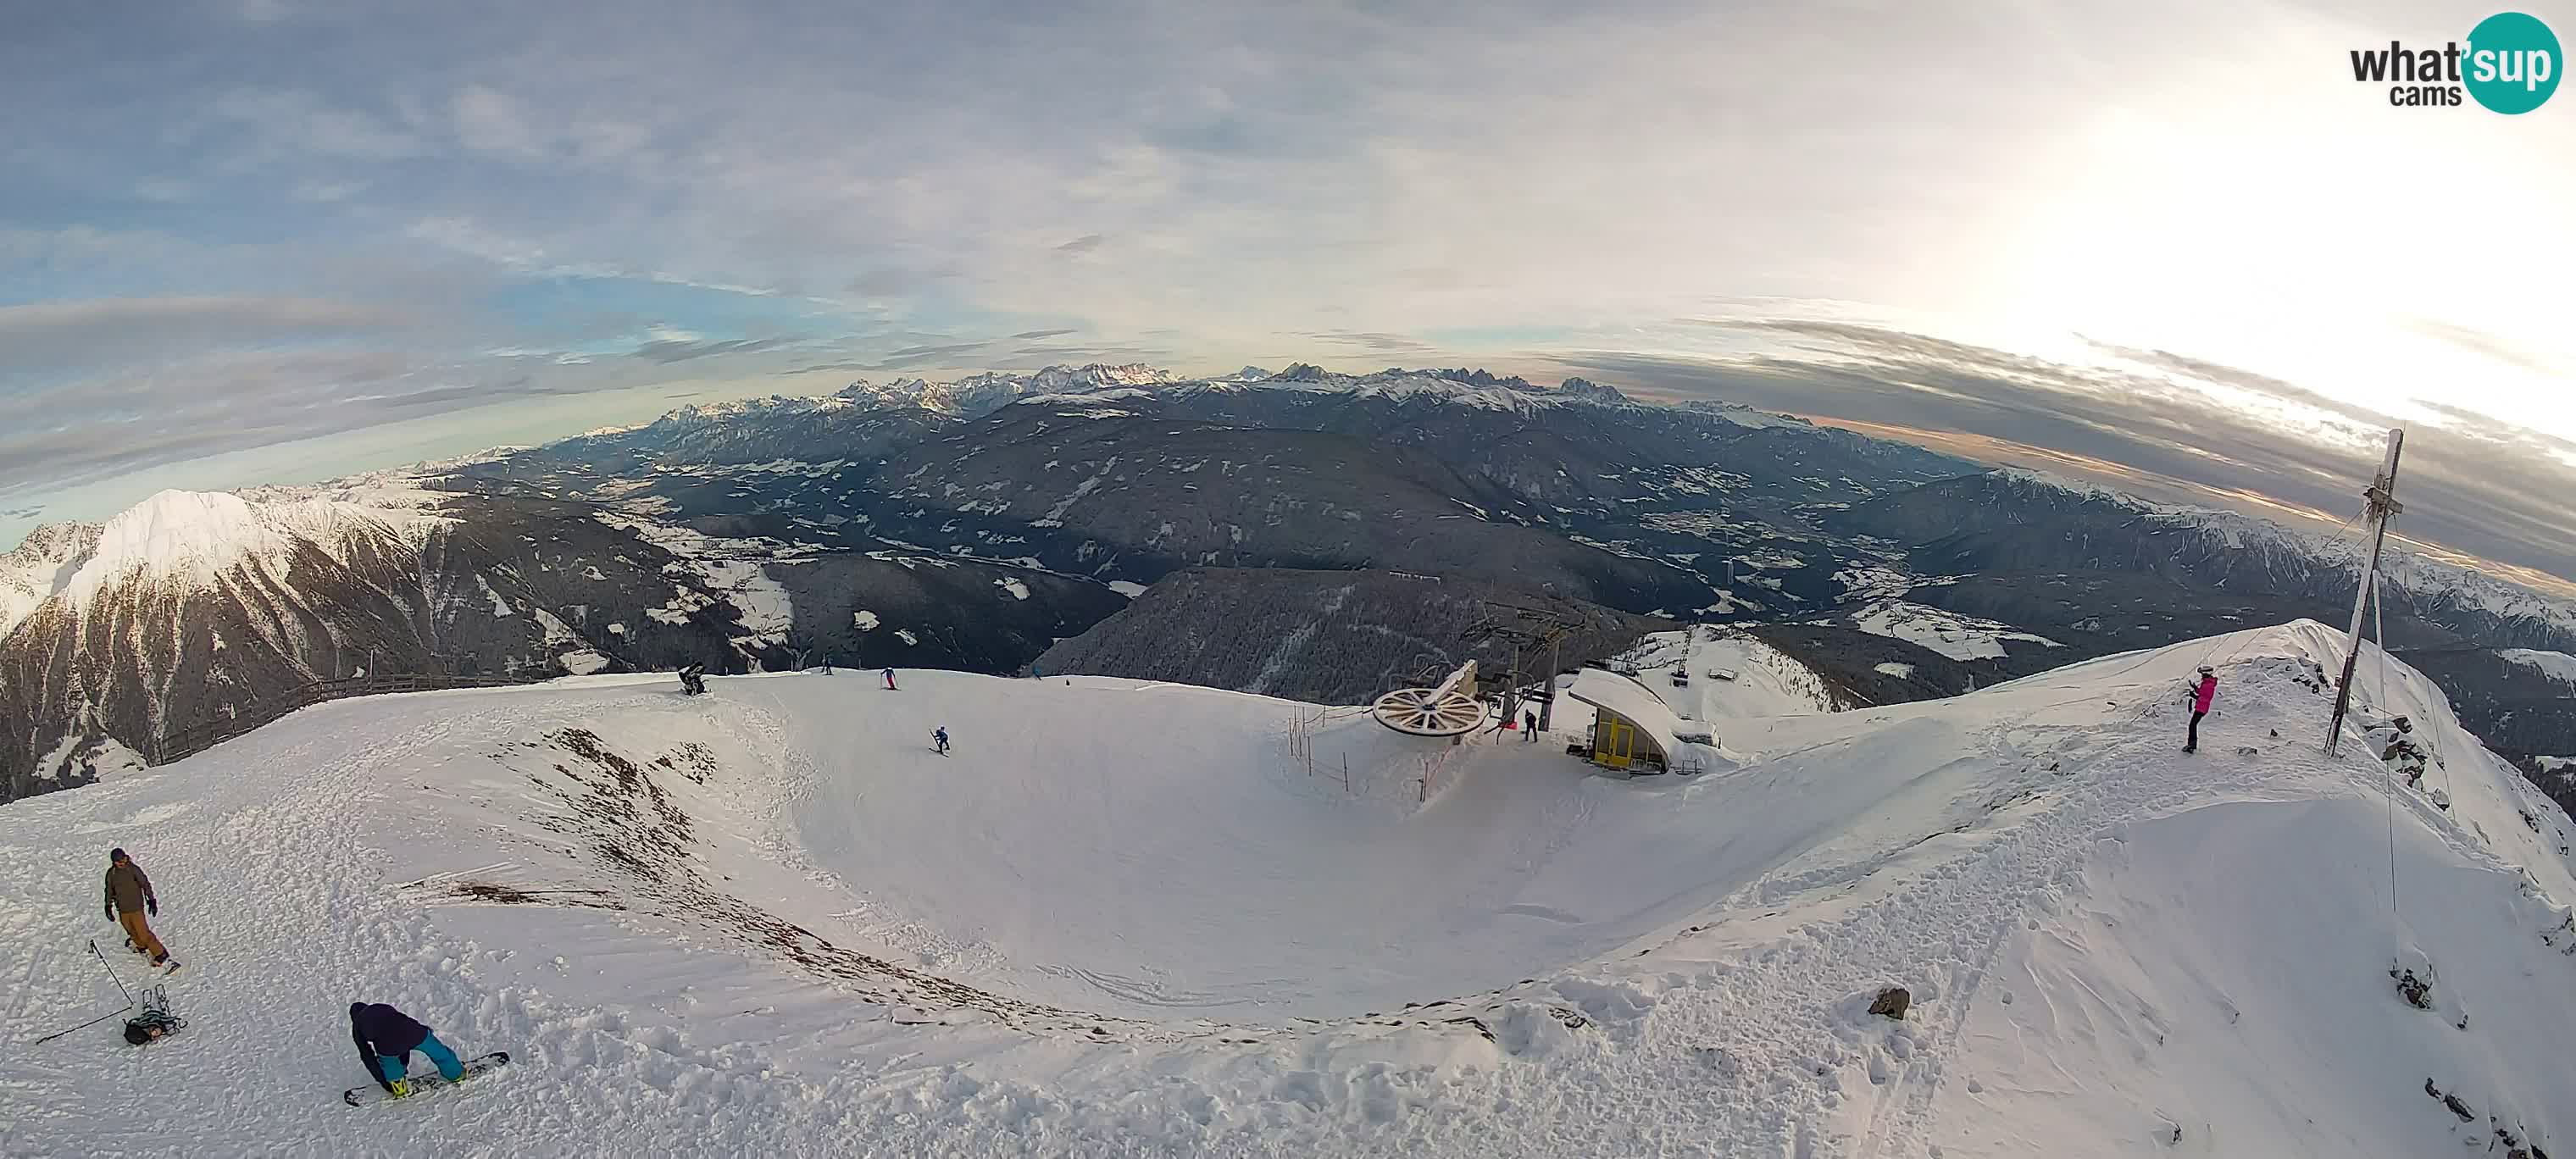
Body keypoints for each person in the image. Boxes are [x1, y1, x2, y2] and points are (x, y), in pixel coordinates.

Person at [350, 1001, 465, 1098]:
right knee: (438, 1051)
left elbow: (368, 1057)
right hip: (414, 1031)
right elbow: (401, 1022)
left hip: (387, 1046)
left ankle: (398, 1085)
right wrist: (425, 1031)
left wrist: (385, 1082)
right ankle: (456, 1073)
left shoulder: (357, 1027)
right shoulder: (382, 1007)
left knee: (391, 1064)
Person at [103, 849, 175, 969]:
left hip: (136, 907)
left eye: (124, 859)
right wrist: (108, 905)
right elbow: (109, 890)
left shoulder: (133, 870)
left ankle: (160, 954)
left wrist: (151, 900)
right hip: (123, 908)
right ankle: (141, 946)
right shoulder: (112, 873)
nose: (122, 862)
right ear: (114, 862)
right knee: (131, 930)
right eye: (119, 861)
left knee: (143, 932)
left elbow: (145, 884)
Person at [2182, 665, 2218, 753]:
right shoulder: (2206, 683)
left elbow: (2207, 698)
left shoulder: (2209, 685)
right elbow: (2203, 693)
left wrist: (2194, 696)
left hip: (2202, 708)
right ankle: (2192, 745)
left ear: (2206, 674)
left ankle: (2192, 746)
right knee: (2193, 725)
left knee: (2192, 725)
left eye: (2202, 674)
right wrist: (2195, 688)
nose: (2201, 675)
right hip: (2200, 707)